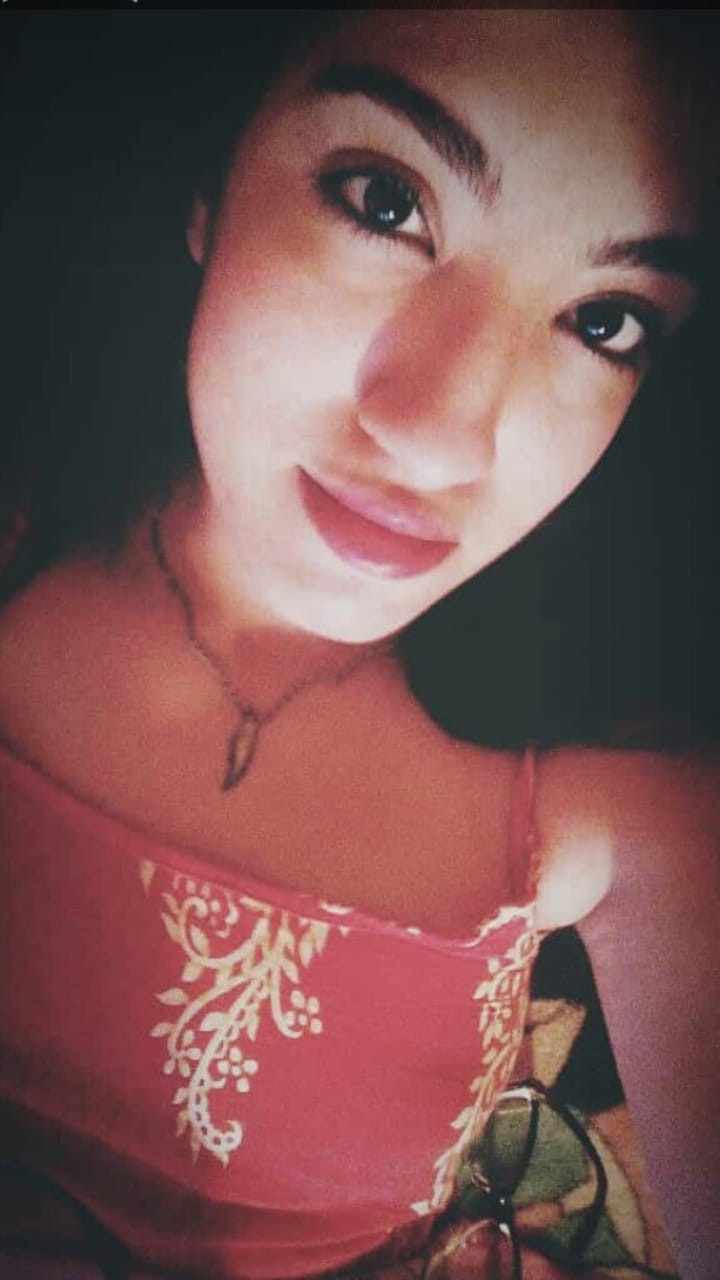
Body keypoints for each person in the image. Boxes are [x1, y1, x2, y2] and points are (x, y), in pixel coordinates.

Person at [0, 8, 717, 1279]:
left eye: (605, 320)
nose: (442, 437)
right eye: (386, 203)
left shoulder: (624, 793)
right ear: (209, 182)